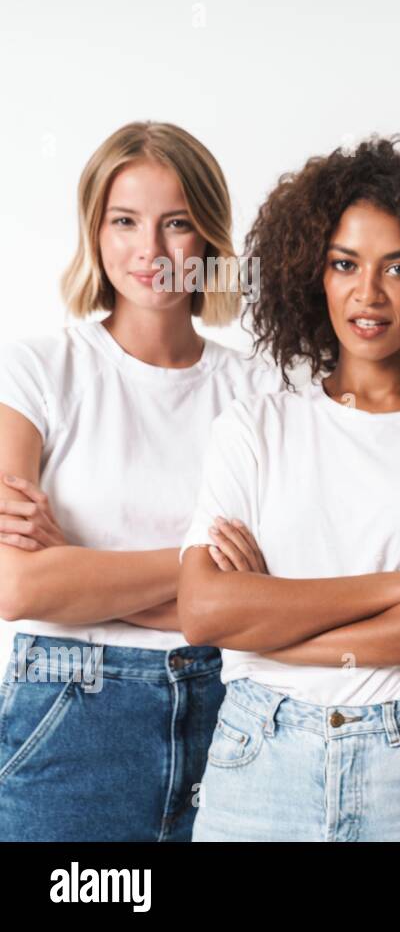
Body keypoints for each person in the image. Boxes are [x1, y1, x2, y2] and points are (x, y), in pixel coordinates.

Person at [177, 136, 400, 841]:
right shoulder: (258, 423)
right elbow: (205, 609)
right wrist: (398, 586)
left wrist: (276, 628)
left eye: (399, 269)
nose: (367, 295)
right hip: (260, 758)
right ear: (312, 273)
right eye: (345, 264)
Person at [0, 121, 278, 840]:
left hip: (239, 716)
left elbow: (282, 598)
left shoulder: (263, 392)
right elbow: (21, 588)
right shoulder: (37, 370)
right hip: (70, 707)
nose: (150, 252)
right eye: (124, 221)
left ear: (210, 238)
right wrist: (204, 578)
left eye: (177, 224)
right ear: (94, 230)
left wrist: (81, 569)